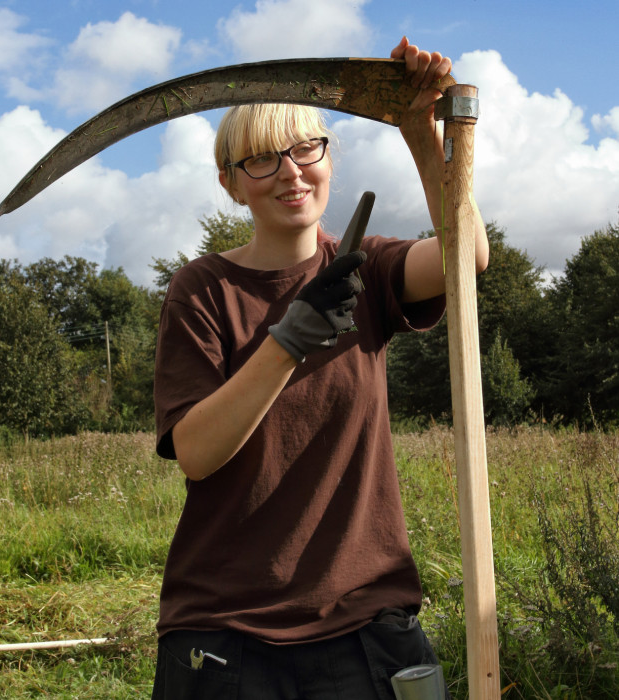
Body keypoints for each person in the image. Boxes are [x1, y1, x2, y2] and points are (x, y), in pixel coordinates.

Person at [152, 37, 488, 700]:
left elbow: (465, 255)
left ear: (329, 159)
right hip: (226, 635)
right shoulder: (203, 289)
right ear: (230, 183)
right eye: (261, 158)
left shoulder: (368, 266)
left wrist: (418, 129)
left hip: (364, 622)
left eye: (307, 148)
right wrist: (289, 340)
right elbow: (196, 452)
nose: (291, 172)